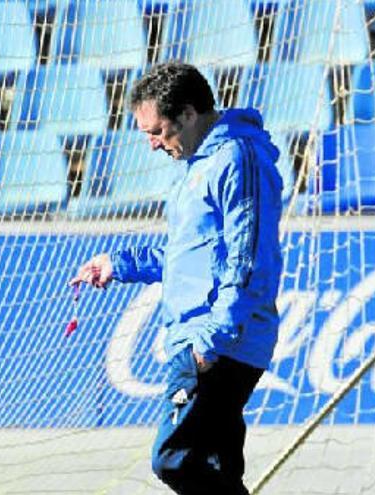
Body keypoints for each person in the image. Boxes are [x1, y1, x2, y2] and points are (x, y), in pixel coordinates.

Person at [69, 62, 283, 495]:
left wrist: (211, 341)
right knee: (217, 468)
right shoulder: (199, 165)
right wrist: (120, 264)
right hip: (203, 334)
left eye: (156, 131)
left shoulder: (236, 158)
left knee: (173, 459)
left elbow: (247, 259)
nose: (151, 144)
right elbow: (189, 254)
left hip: (219, 338)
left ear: (187, 114)